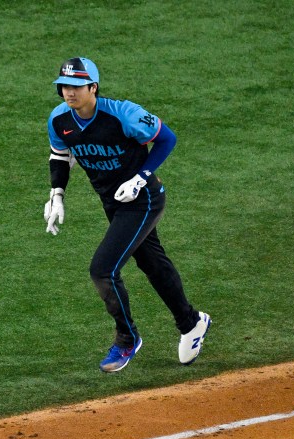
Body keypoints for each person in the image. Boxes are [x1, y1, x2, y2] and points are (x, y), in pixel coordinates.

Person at [43, 57, 211, 373]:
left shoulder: (124, 114)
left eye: (77, 86)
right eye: (65, 86)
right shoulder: (59, 120)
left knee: (103, 270)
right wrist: (57, 195)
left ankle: (127, 339)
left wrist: (140, 177)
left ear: (93, 87)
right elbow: (60, 155)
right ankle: (191, 323)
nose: (69, 92)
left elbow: (167, 138)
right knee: (151, 262)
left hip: (143, 199)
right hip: (113, 203)